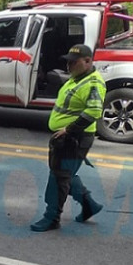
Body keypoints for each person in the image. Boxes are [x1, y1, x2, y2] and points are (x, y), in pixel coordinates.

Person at [30, 44, 106, 232]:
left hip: (74, 138)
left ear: (88, 61)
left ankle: (52, 217)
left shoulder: (93, 83)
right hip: (68, 138)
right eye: (68, 62)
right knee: (64, 174)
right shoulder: (77, 78)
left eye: (74, 62)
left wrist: (70, 130)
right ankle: (89, 204)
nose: (69, 66)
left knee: (58, 177)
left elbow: (94, 111)